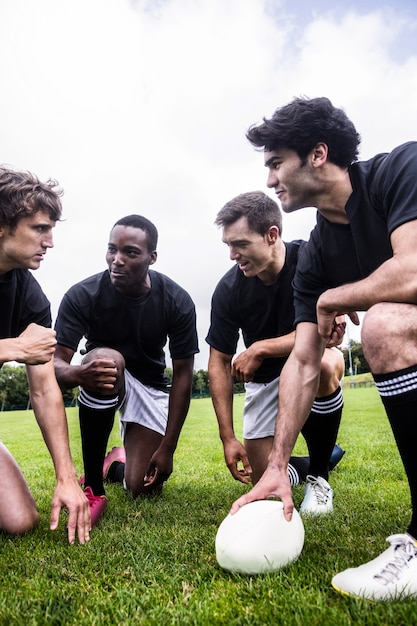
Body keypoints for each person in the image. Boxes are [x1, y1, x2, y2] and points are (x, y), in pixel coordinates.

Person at [231, 96, 417, 601]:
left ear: (317, 153)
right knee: (383, 325)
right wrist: (276, 466)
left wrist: (339, 296)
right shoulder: (314, 255)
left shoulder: (401, 168)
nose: (270, 179)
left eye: (275, 163)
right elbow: (304, 359)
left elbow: (414, 269)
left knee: (383, 326)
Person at [53, 214, 199, 527]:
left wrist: (168, 448)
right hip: (104, 373)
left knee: (142, 487)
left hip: (149, 384)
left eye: (130, 252)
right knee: (105, 360)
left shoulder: (177, 300)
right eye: (111, 250)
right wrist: (80, 375)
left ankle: (117, 463)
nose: (117, 261)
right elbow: (55, 364)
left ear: (151, 258)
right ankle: (93, 485)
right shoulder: (83, 295)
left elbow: (184, 375)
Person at [206, 191, 345, 514]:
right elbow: (218, 362)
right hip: (265, 382)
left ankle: (319, 477)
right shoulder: (228, 290)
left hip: (309, 363)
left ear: (271, 235)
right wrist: (228, 437)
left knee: (324, 362)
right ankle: (318, 458)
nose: (232, 255)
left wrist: (261, 347)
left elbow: (323, 332)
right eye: (228, 245)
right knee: (263, 479)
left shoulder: (311, 259)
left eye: (240, 244)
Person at [0, 165, 90, 545]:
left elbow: (43, 390)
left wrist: (67, 478)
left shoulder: (31, 297)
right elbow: (22, 352)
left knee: (21, 521)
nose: (50, 241)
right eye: (40, 229)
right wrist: (14, 348)